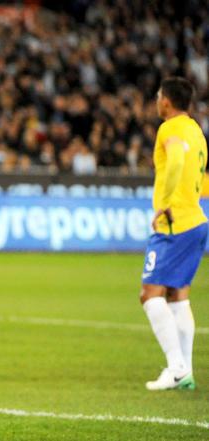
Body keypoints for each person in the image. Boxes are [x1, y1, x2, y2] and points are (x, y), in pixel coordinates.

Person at [140, 76, 207, 391]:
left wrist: (164, 204)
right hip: (196, 220)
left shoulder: (170, 128)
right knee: (177, 297)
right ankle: (186, 371)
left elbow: (177, 159)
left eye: (158, 95)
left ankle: (176, 367)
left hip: (174, 223)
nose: (156, 101)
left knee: (150, 295)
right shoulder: (196, 131)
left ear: (166, 101)